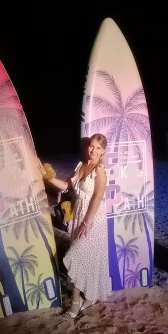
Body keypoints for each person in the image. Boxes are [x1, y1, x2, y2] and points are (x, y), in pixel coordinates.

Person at [39, 133, 111, 319]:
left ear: (103, 151)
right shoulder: (81, 165)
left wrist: (86, 222)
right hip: (79, 214)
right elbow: (65, 186)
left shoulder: (100, 170)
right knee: (86, 258)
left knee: (77, 256)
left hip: (93, 219)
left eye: (98, 148)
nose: (93, 150)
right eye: (91, 146)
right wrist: (48, 177)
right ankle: (91, 297)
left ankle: (76, 301)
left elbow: (97, 198)